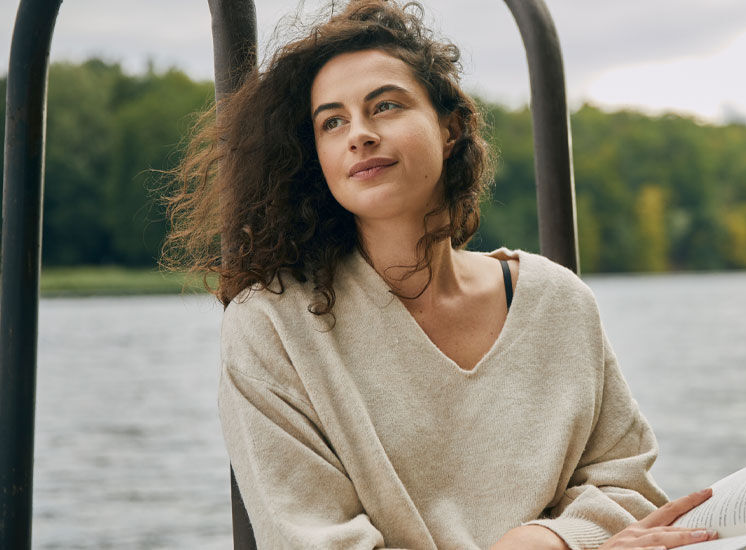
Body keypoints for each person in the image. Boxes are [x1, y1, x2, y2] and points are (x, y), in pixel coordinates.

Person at [162, 1, 717, 548]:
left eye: (385, 106)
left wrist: (551, 539)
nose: (359, 133)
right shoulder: (272, 325)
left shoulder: (557, 301)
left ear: (449, 130)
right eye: (332, 121)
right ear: (316, 155)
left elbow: (630, 487)